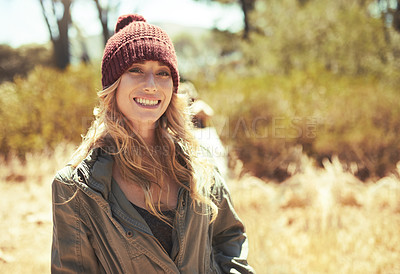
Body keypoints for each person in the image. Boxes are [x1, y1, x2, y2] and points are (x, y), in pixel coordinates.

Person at [51, 14, 254, 273]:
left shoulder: (199, 161)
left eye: (162, 72)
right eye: (135, 69)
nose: (151, 85)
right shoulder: (75, 188)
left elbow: (229, 237)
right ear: (113, 84)